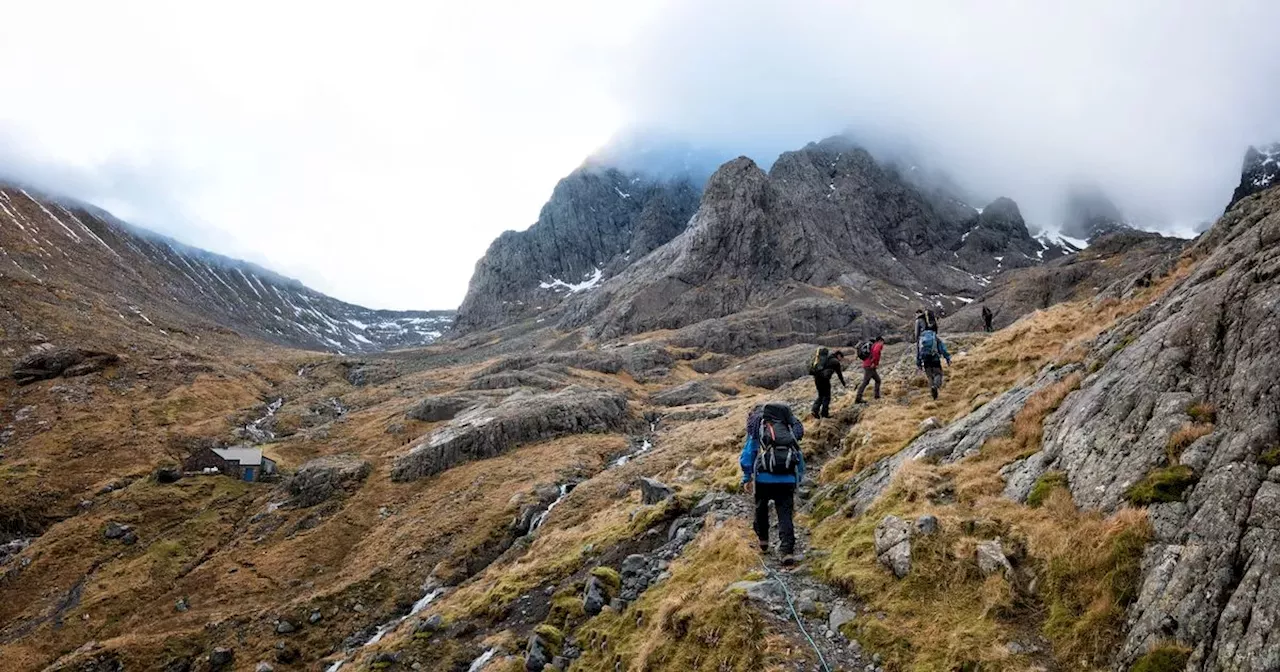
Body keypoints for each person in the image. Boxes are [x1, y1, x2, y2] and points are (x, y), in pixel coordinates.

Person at [740, 402, 805, 565]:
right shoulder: (788, 428)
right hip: (787, 477)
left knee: (761, 507)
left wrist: (747, 477)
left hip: (763, 478)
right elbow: (798, 454)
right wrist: (798, 477)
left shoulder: (759, 428)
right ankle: (787, 551)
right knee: (785, 513)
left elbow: (750, 453)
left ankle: (763, 540)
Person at [917, 329, 952, 400]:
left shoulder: (921, 339)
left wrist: (919, 363)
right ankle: (935, 387)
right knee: (938, 374)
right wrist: (947, 358)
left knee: (930, 376)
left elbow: (918, 353)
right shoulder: (935, 338)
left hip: (925, 360)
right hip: (934, 358)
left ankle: (933, 395)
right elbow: (942, 349)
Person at [810, 350, 846, 418]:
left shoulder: (825, 359)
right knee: (827, 397)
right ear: (838, 355)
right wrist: (843, 383)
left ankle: (814, 410)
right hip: (825, 380)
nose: (841, 360)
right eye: (841, 358)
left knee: (821, 395)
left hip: (817, 379)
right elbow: (839, 374)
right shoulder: (835, 362)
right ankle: (824, 414)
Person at [855, 335, 884, 403]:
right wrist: (874, 363)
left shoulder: (872, 345)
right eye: (883, 342)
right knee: (865, 382)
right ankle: (858, 398)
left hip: (869, 366)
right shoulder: (877, 345)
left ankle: (877, 396)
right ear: (880, 341)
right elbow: (876, 352)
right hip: (870, 366)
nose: (883, 344)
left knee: (878, 380)